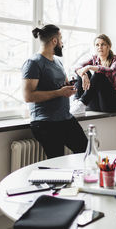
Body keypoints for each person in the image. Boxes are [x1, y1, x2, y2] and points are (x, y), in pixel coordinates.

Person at [22, 24, 88, 158]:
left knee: (87, 153)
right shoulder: (33, 63)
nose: (62, 43)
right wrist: (60, 92)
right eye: (61, 39)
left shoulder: (58, 62)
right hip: (45, 123)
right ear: (54, 41)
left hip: (65, 119)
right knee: (57, 166)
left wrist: (68, 86)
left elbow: (60, 85)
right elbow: (28, 96)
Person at [70, 34, 116, 115]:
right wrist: (84, 74)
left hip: (113, 103)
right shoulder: (94, 58)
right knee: (82, 72)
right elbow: (76, 66)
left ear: (109, 46)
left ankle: (82, 102)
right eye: (97, 45)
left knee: (99, 75)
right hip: (98, 103)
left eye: (103, 44)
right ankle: (77, 103)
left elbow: (111, 71)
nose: (100, 47)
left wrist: (89, 67)